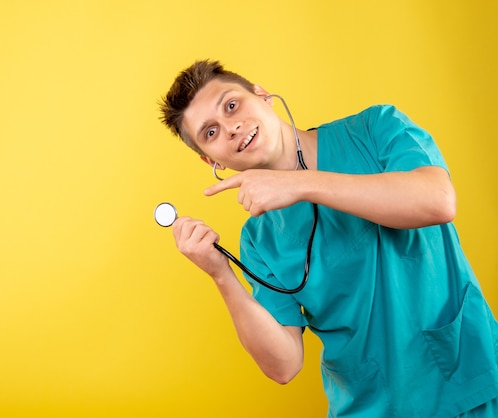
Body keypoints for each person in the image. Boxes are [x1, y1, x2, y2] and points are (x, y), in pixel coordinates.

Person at [158, 59, 498, 417]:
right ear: (208, 159)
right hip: (370, 405)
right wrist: (221, 274)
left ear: (262, 95)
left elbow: (437, 201)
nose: (230, 127)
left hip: (466, 380)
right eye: (210, 133)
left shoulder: (375, 127)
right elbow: (284, 366)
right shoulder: (259, 240)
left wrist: (301, 184)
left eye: (231, 105)